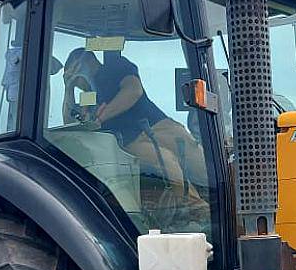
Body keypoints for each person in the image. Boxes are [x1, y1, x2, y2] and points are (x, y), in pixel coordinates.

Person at [61, 48, 208, 204]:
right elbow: (70, 124)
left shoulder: (116, 67)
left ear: (86, 61)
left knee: (203, 168)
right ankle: (198, 212)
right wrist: (68, 88)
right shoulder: (88, 95)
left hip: (161, 127)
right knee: (166, 164)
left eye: (75, 75)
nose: (77, 83)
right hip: (130, 143)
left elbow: (133, 90)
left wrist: (100, 117)